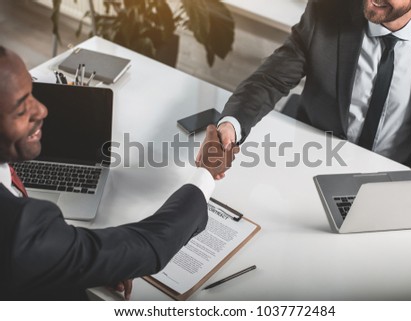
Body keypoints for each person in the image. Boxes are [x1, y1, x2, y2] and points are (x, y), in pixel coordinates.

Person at [0, 46, 237, 300]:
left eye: (32, 93)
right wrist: (206, 173)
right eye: (21, 109)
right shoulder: (16, 227)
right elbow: (151, 245)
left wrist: (91, 262)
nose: (42, 110)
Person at [211, 0, 411, 178]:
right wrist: (231, 124)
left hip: (399, 178)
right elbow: (270, 79)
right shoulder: (326, 10)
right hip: (316, 166)